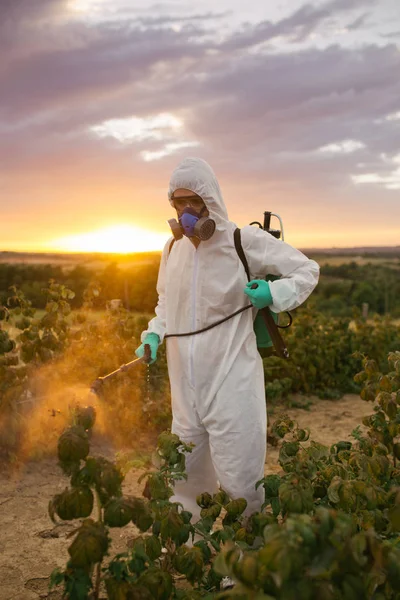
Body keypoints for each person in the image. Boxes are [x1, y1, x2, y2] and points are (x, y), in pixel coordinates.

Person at [136, 157, 319, 521]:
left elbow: (307, 270)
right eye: (177, 204)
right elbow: (165, 303)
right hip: (185, 386)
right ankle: (189, 547)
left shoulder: (242, 240)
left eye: (193, 203)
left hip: (232, 378)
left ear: (210, 200)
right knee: (186, 471)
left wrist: (273, 293)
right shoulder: (172, 250)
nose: (185, 212)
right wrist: (153, 334)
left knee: (239, 477)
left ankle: (241, 560)